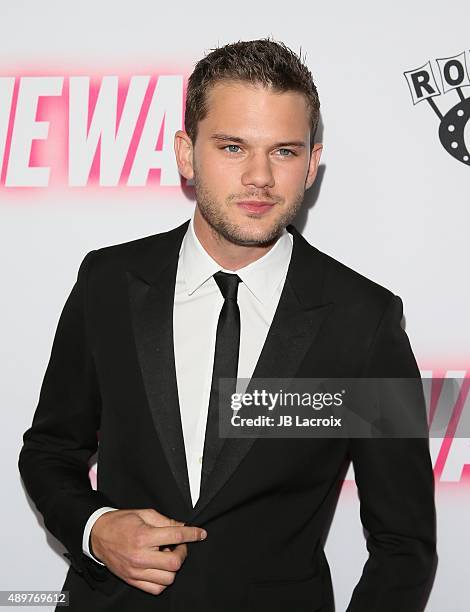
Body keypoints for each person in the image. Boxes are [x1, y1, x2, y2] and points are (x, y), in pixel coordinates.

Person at [18, 38, 437, 612]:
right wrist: (95, 528)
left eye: (285, 151)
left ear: (313, 163)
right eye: (233, 147)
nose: (260, 177)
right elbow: (49, 450)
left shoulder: (364, 320)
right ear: (187, 154)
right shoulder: (109, 283)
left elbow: (403, 542)